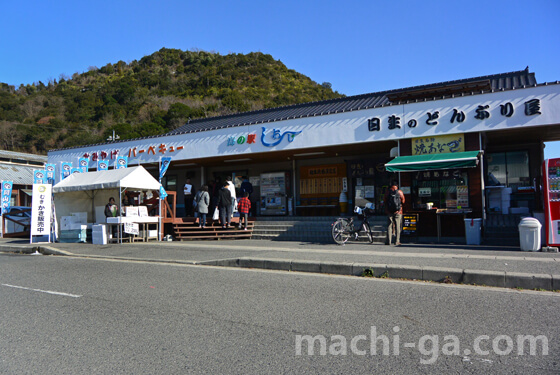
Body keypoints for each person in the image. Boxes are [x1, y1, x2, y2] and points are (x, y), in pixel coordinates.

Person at [385, 181, 405, 246]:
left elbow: (385, 200)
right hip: (398, 211)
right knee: (398, 226)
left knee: (389, 226)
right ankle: (397, 241)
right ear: (397, 185)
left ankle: (388, 241)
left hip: (389, 211)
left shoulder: (388, 192)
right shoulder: (400, 192)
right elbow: (403, 201)